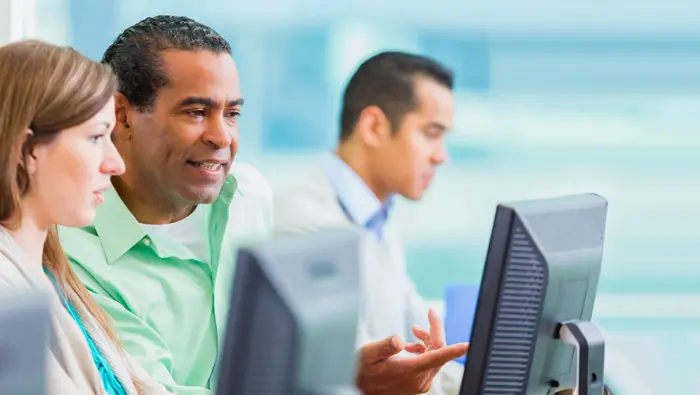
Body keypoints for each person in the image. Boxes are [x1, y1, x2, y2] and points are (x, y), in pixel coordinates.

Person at [58, 16, 272, 394]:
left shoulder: (247, 196)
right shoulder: (72, 252)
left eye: (232, 114)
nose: (222, 136)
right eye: (196, 112)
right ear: (120, 115)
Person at [273, 51, 468, 395]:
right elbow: (365, 376)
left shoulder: (376, 221)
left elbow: (423, 354)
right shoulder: (306, 227)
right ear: (374, 127)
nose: (441, 156)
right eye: (431, 133)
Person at [0, 40, 170, 395]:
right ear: (26, 150)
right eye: (95, 137)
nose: (115, 163)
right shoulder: (7, 294)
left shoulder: (52, 274)